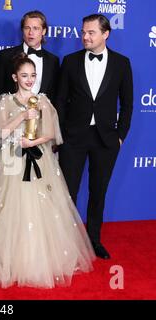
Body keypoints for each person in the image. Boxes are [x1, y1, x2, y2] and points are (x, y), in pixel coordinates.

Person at [0, 54, 95, 289]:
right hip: (10, 160)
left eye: (33, 75)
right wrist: (21, 116)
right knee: (8, 210)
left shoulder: (43, 101)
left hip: (39, 159)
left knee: (41, 210)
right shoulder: (4, 101)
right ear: (14, 77)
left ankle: (37, 259)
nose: (29, 80)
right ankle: (6, 259)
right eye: (24, 76)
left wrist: (33, 142)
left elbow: (52, 133)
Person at [55, 14, 133, 259]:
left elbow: (128, 104)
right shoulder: (70, 61)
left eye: (91, 32)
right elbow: (60, 101)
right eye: (83, 32)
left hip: (105, 139)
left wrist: (119, 137)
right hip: (73, 138)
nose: (85, 37)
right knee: (68, 192)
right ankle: (64, 242)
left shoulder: (121, 63)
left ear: (105, 34)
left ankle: (94, 241)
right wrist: (60, 135)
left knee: (98, 192)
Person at [0, 10, 59, 104]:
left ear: (44, 31)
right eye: (27, 28)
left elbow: (55, 96)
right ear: (22, 30)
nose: (31, 33)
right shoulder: (5, 56)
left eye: (35, 28)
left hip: (42, 116)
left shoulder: (53, 61)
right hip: (12, 116)